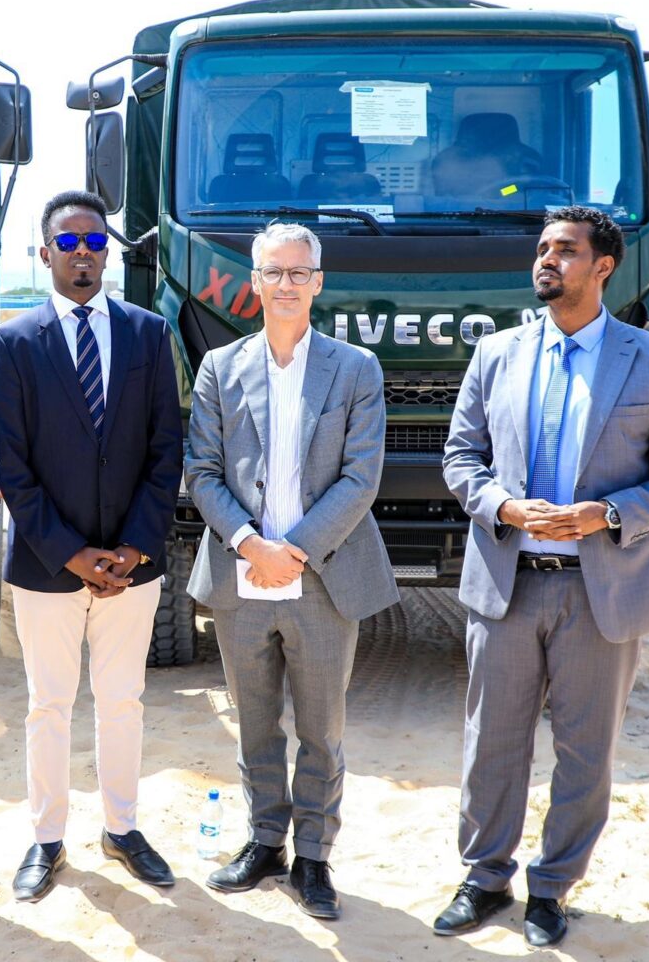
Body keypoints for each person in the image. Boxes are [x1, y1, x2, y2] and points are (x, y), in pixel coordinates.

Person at [434, 206, 649, 947]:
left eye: (565, 250)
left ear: (604, 267)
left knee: (587, 752)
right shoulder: (496, 354)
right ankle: (484, 879)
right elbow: (461, 459)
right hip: (507, 583)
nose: (547, 260)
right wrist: (504, 505)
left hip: (603, 591)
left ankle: (551, 890)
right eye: (544, 248)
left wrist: (607, 515)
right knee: (492, 742)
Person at [183, 222, 398, 921]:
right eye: (272, 272)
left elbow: (361, 478)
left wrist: (294, 549)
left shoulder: (356, 369)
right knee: (253, 727)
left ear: (318, 283)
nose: (285, 284)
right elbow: (202, 472)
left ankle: (313, 858)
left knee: (321, 729)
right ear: (254, 281)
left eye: (298, 273)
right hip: (241, 577)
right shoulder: (220, 368)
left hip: (323, 577)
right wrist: (251, 544)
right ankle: (264, 842)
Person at [0, 190, 184, 902]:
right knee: (48, 702)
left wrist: (132, 547)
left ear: (109, 252)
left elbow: (168, 451)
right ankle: (46, 839)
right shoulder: (12, 344)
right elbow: (11, 466)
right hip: (47, 565)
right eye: (68, 243)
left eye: (95, 242)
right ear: (43, 254)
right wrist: (72, 554)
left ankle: (123, 829)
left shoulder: (148, 334)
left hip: (134, 566)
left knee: (123, 698)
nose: (82, 254)